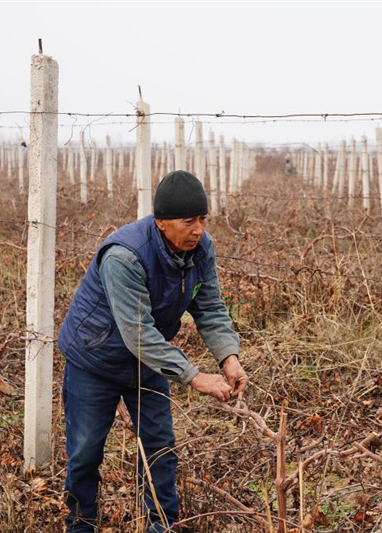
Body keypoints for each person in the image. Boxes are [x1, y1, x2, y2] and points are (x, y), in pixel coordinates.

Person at [58, 170, 249, 533]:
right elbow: (139, 334)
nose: (198, 229)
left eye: (203, 219)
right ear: (161, 223)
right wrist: (195, 377)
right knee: (85, 453)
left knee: (160, 449)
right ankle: (81, 524)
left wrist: (229, 356)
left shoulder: (201, 248)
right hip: (94, 358)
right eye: (188, 221)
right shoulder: (125, 257)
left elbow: (208, 306)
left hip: (148, 363)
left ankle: (161, 526)